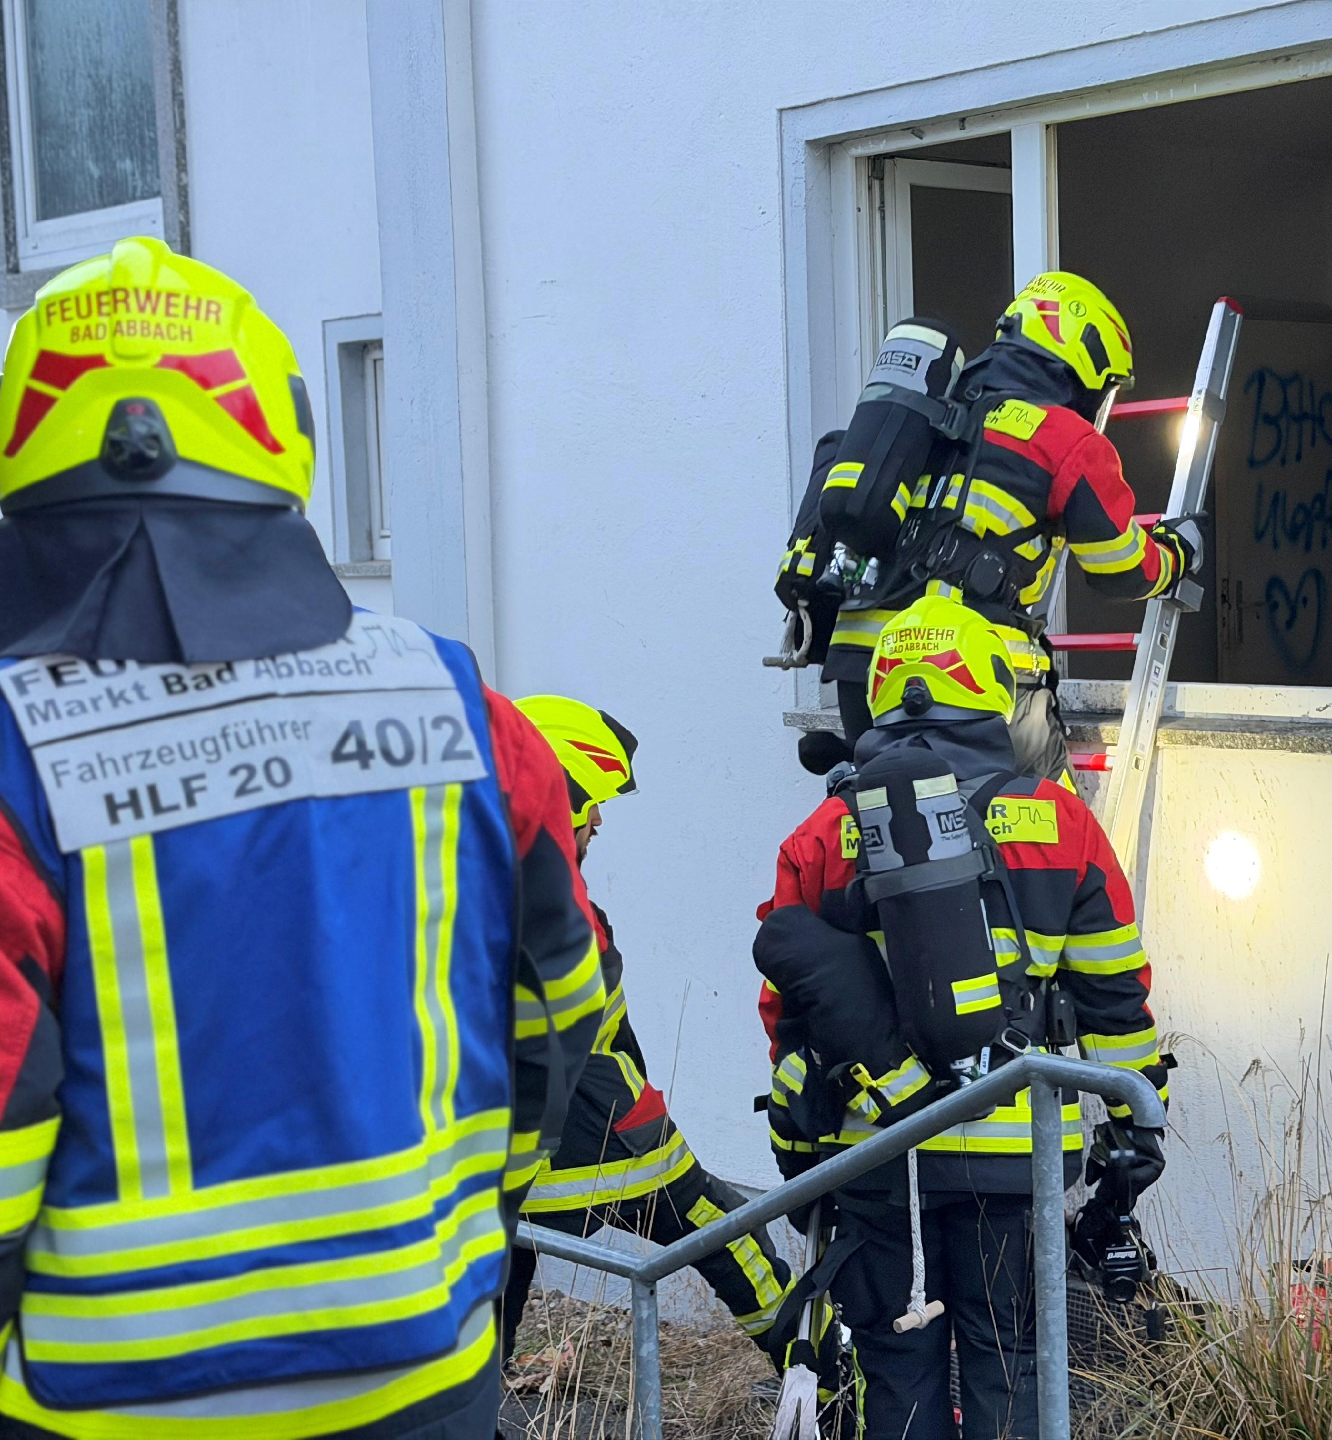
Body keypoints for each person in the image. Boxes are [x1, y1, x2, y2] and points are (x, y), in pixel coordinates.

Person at [0, 237, 603, 1440]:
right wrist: (460, 1252)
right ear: (284, 434)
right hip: (428, 1388)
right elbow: (559, 1019)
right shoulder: (469, 717)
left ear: (18, 445)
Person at [753, 596, 1170, 1440]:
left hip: (879, 1158)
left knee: (896, 1372)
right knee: (1009, 1367)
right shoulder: (1061, 822)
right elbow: (1114, 1000)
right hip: (1016, 1165)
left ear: (880, 692)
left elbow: (789, 1017)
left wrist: (803, 1146)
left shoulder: (823, 832)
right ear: (991, 693)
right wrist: (1137, 1127)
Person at [497, 698, 796, 1365]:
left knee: (487, 1313)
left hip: (497, 1165)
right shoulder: (557, 909)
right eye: (591, 804)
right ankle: (825, 1384)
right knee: (732, 1240)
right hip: (611, 1140)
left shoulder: (459, 891)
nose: (599, 820)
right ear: (558, 799)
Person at [810, 272, 1200, 783]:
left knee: (895, 814)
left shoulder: (925, 415)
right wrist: (1178, 552)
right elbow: (1120, 567)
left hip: (862, 669)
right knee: (1042, 822)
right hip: (965, 674)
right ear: (1084, 356)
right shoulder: (1063, 436)